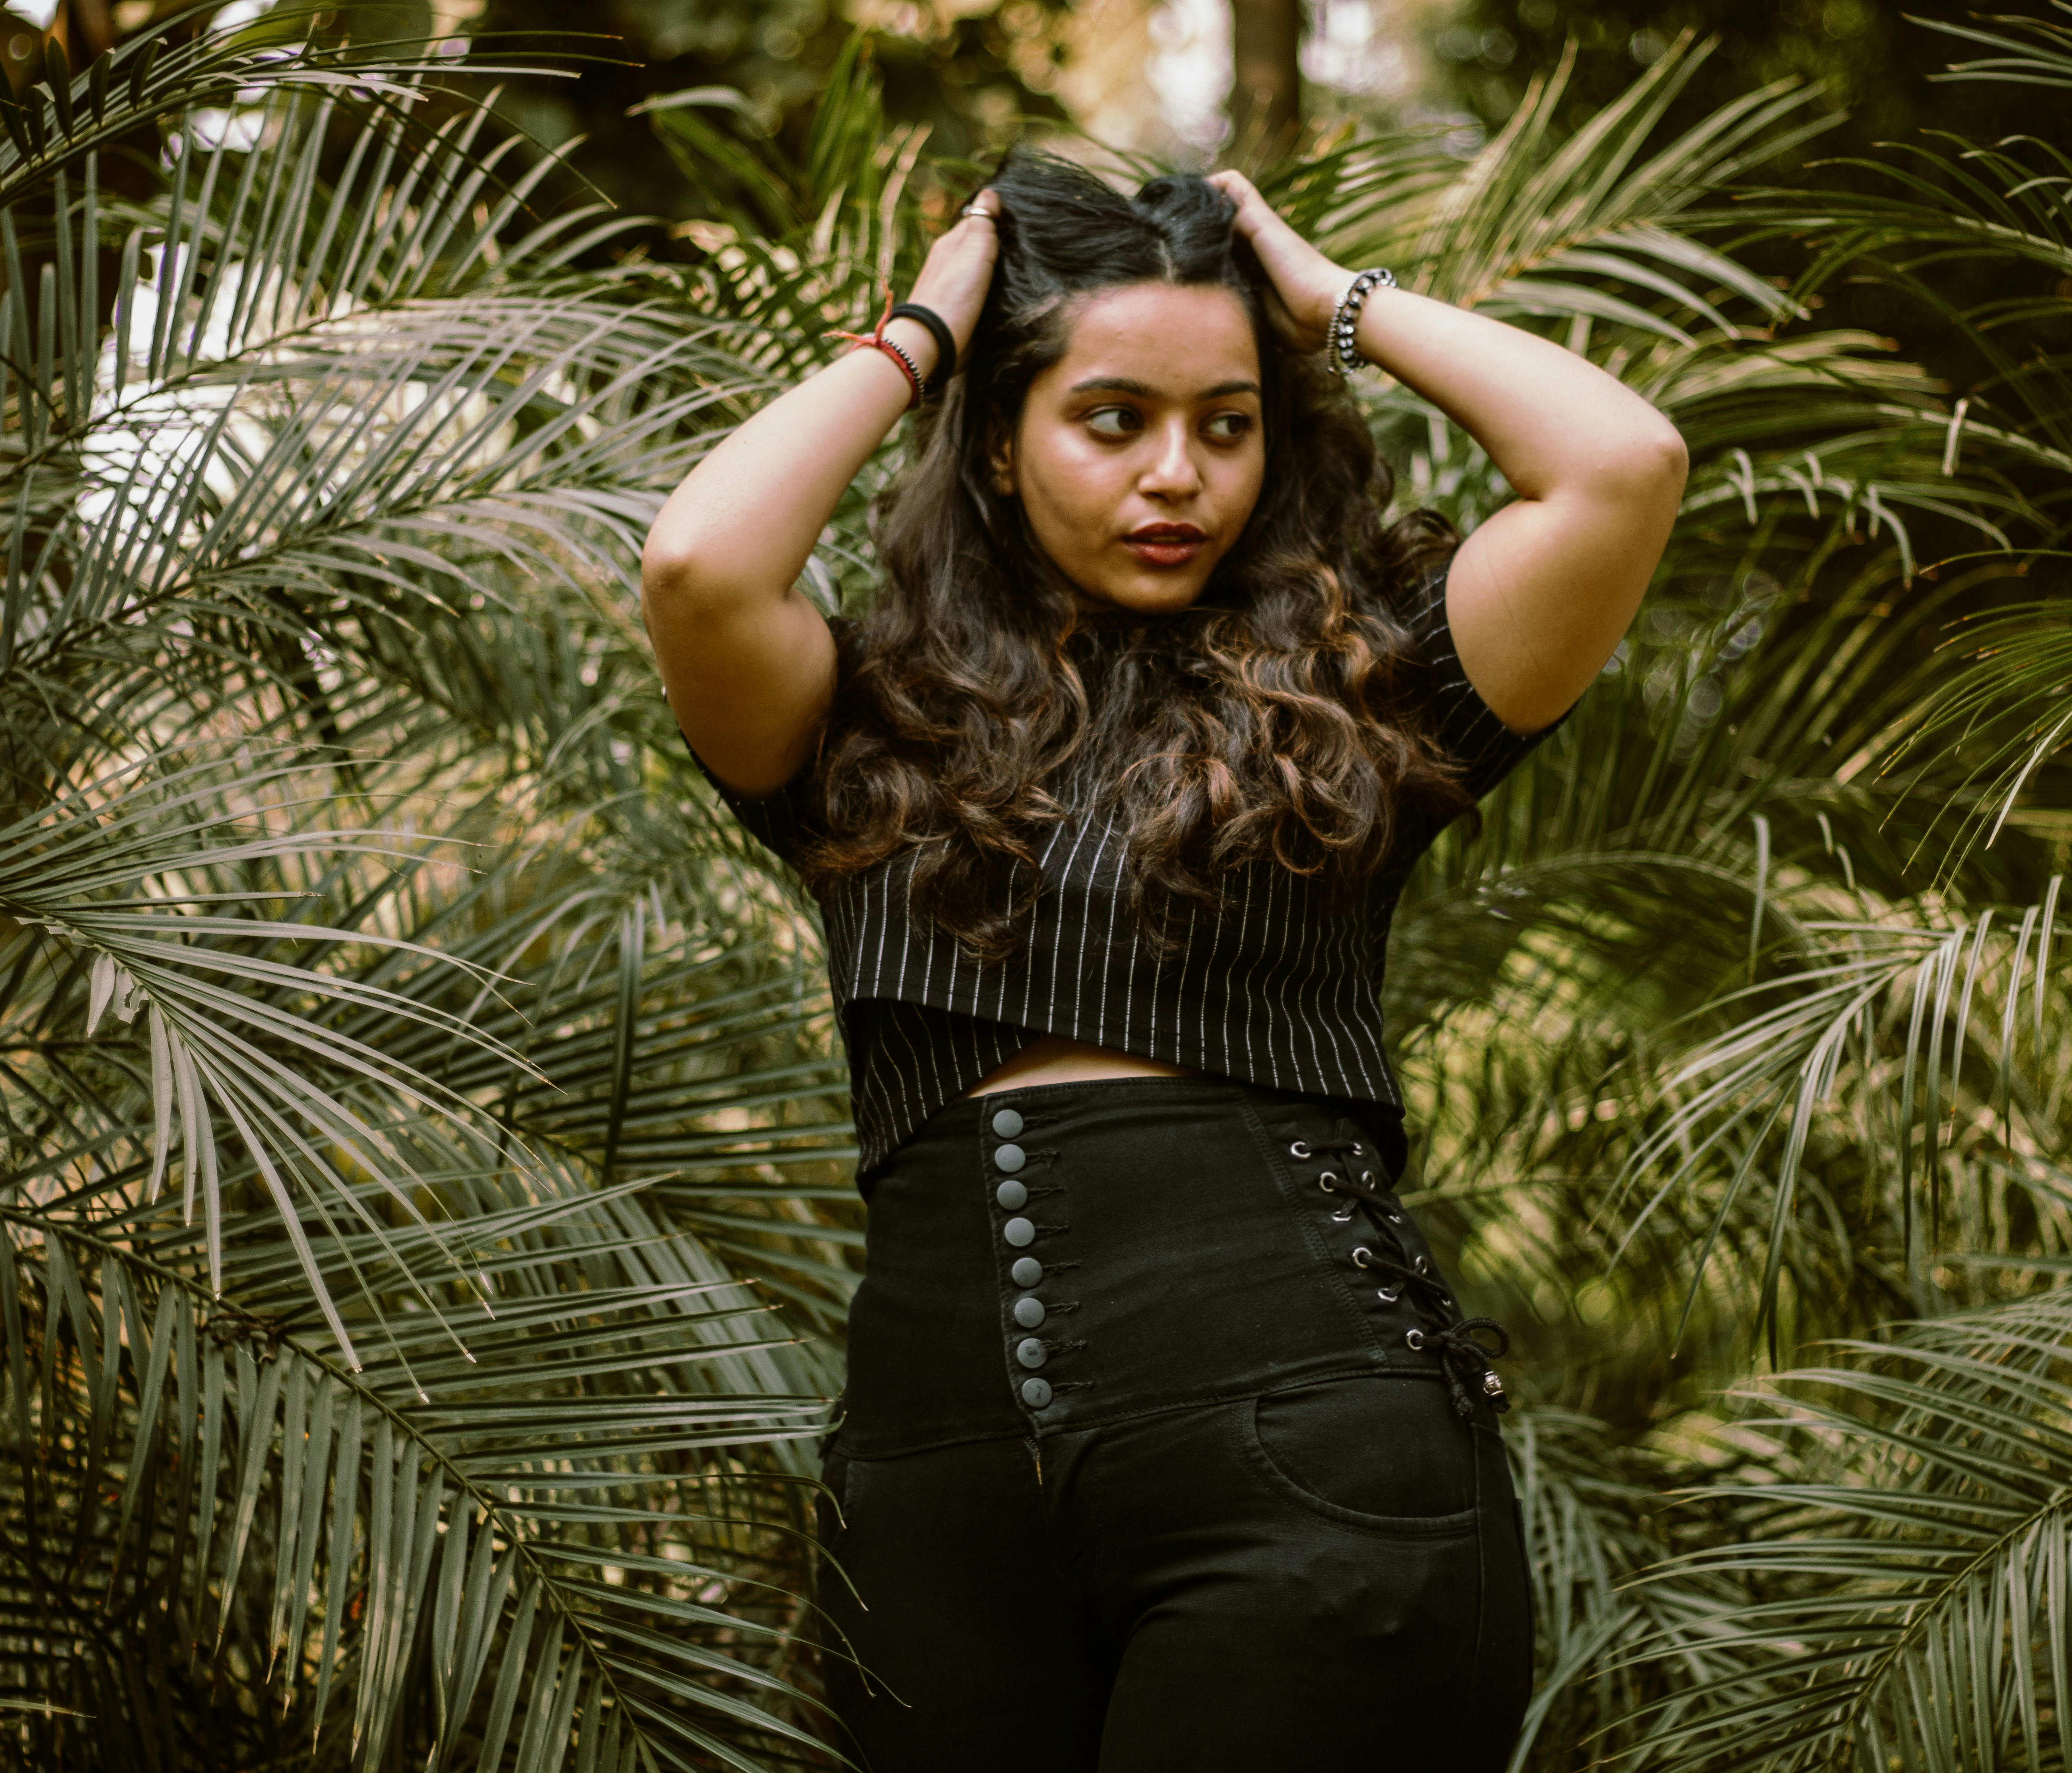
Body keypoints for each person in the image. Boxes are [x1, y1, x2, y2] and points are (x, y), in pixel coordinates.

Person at [639, 148, 1683, 1771]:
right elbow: (700, 562)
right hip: (936, 1500)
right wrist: (924, 332)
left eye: (1227, 421)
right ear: (1000, 440)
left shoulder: (1373, 692)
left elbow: (1622, 462)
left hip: (1310, 1467)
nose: (1179, 473)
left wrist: (1328, 298)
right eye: (1113, 417)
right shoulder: (856, 717)